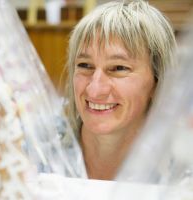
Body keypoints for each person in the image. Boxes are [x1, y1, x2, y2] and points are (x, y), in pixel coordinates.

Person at [66, 0, 176, 180]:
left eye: (118, 68)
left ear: (158, 82)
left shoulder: (181, 168)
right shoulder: (34, 151)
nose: (95, 89)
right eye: (85, 65)